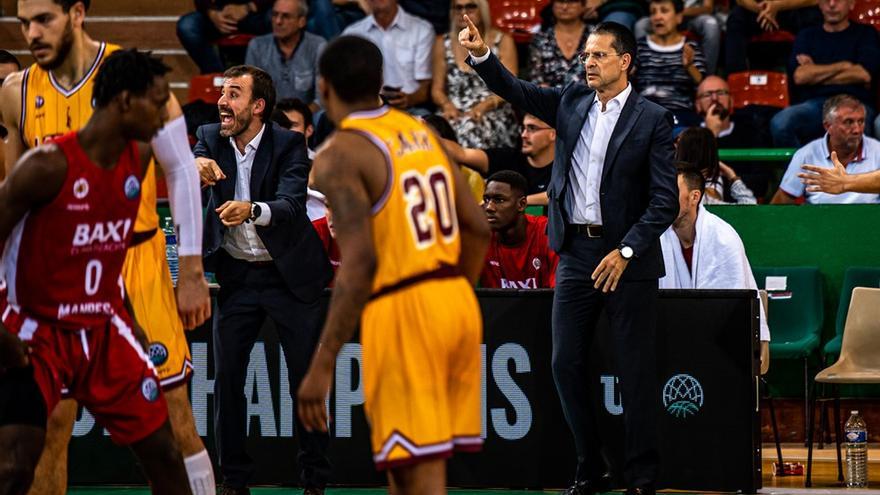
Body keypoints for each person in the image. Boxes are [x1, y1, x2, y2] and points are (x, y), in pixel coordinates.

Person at [0, 1, 213, 494]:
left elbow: (180, 170)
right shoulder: (16, 91)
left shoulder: (133, 77)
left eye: (43, 18)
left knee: (173, 415)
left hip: (133, 257)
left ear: (77, 13)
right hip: (58, 273)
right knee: (49, 426)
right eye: (23, 20)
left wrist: (194, 270)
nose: (31, 31)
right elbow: (12, 192)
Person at [461, 18, 678, 495]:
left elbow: (665, 201)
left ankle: (642, 476)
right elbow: (514, 89)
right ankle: (591, 464)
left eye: (599, 55)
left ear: (625, 61)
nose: (589, 62)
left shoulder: (653, 119)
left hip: (628, 258)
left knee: (635, 370)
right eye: (586, 56)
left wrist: (625, 250)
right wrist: (481, 55)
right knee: (564, 363)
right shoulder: (572, 100)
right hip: (576, 252)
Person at [297, 35, 490, 495]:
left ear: (323, 88)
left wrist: (323, 363)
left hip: (406, 309)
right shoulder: (423, 132)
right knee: (405, 468)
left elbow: (358, 262)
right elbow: (478, 229)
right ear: (382, 82)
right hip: (455, 301)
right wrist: (451, 291)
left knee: (420, 477)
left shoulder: (339, 153)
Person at [194, 64, 332, 495]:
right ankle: (233, 481)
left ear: (257, 106)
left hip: (290, 277)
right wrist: (193, 162)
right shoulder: (209, 136)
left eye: (233, 94)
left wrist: (250, 209)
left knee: (305, 384)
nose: (222, 101)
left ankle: (314, 482)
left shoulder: (289, 143)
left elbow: (291, 203)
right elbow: (189, 160)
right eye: (222, 92)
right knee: (229, 379)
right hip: (237, 277)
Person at [659, 163, 770, 373]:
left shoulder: (723, 238)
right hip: (670, 338)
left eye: (672, 192)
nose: (664, 199)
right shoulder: (655, 237)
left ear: (694, 197)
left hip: (720, 345)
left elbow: (729, 311)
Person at [769, 0, 880, 148]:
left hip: (855, 101)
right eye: (826, 0)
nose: (832, 5)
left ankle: (855, 171)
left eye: (838, 0)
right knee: (781, 122)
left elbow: (862, 74)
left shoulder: (866, 33)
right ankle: (803, 169)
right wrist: (845, 65)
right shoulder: (806, 36)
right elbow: (801, 77)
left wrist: (815, 71)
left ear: (851, 4)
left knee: (858, 123)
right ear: (819, 4)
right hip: (815, 105)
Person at [431, 0, 519, 147]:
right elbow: (436, 90)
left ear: (482, 9)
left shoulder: (503, 40)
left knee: (473, 131)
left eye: (470, 6)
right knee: (436, 132)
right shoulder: (442, 42)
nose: (463, 12)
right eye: (457, 7)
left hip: (492, 109)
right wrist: (447, 106)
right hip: (454, 111)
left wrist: (483, 107)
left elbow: (510, 86)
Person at [772, 94, 880, 204]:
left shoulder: (877, 150)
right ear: (828, 126)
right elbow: (781, 203)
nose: (857, 130)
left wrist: (845, 182)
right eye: (848, 122)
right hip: (819, 220)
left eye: (861, 121)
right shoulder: (806, 154)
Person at [440, 113, 556, 205]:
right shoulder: (508, 157)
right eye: (523, 128)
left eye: (532, 128)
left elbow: (559, 196)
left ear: (553, 134)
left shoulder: (567, 166)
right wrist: (426, 136)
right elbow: (462, 154)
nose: (524, 135)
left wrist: (516, 202)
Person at [343, 0, 435, 111]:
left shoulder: (422, 29)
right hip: (367, 109)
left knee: (424, 116)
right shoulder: (352, 34)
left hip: (409, 109)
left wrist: (409, 99)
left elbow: (424, 87)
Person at [695, 75, 774, 198]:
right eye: (707, 94)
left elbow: (760, 184)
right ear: (698, 104)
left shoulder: (751, 133)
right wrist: (710, 134)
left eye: (721, 93)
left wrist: (717, 185)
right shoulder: (687, 136)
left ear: (731, 100)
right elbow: (689, 184)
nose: (715, 98)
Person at [634, 0, 707, 130]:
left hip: (680, 113)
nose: (657, 17)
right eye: (653, 12)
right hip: (645, 113)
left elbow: (703, 85)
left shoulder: (690, 47)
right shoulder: (640, 47)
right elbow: (627, 79)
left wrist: (689, 66)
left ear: (679, 17)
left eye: (664, 11)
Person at [480, 171, 559, 289]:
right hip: (496, 307)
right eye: (486, 199)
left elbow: (560, 294)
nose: (489, 207)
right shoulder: (480, 238)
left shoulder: (547, 232)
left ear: (521, 204)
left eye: (499, 200)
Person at [245, 0, 326, 107]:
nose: (278, 21)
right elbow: (252, 94)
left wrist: (299, 118)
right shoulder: (257, 46)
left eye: (286, 16)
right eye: (275, 15)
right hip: (269, 116)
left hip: (307, 117)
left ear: (301, 21)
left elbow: (321, 99)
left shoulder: (318, 46)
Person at [724, 0, 821, 74]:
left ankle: (809, 75)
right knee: (736, 18)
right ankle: (736, 82)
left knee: (812, 16)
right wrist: (766, 10)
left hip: (791, 6)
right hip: (757, 9)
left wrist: (778, 6)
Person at [177, 0, 273, 74]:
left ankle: (269, 77)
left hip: (258, 12)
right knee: (187, 26)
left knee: (280, 19)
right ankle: (218, 77)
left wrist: (249, 6)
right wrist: (212, 13)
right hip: (221, 14)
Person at [633, 0, 720, 74]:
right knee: (641, 25)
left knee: (711, 24)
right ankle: (643, 72)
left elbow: (708, 8)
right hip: (667, 13)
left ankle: (708, 80)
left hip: (694, 16)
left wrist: (677, 12)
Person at [675, 127, 757, 204]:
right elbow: (750, 205)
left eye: (678, 144)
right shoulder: (701, 197)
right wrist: (732, 176)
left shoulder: (668, 186)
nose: (674, 146)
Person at [529, 0, 591, 89]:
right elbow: (536, 77)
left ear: (583, 5)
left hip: (590, 98)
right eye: (560, 1)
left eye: (571, 2)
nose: (564, 7)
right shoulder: (540, 38)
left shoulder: (596, 36)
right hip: (550, 98)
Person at [312, 205, 341, 284]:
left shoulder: (372, 233)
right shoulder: (317, 230)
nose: (332, 216)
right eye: (328, 206)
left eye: (340, 207)